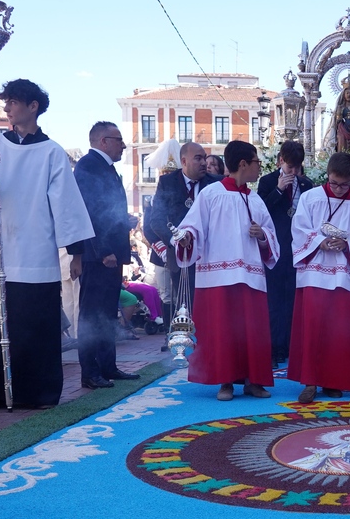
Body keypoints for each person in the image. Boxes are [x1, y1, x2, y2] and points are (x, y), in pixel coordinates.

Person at [0, 78, 94, 411]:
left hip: (34, 250)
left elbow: (67, 204)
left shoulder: (51, 152)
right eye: (5, 102)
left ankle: (36, 393)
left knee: (35, 327)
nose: (6, 107)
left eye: (14, 101)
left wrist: (76, 252)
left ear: (33, 107)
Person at [174, 140, 278, 401]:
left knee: (251, 330)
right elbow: (192, 227)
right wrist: (186, 237)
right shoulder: (210, 194)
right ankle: (225, 382)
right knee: (223, 330)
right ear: (243, 164)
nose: (259, 168)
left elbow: (271, 236)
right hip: (218, 276)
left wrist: (262, 235)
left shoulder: (255, 199)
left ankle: (254, 381)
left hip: (250, 275)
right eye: (257, 162)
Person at [288, 152, 350, 403]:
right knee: (314, 328)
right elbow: (299, 229)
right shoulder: (310, 197)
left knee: (341, 330)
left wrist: (348, 243)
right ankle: (311, 381)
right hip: (315, 273)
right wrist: (320, 242)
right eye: (333, 182)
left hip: (345, 275)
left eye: (344, 184)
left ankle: (335, 381)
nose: (337, 189)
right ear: (327, 176)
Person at [73, 121, 140, 390]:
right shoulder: (88, 166)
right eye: (118, 139)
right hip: (98, 255)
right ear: (103, 141)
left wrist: (124, 221)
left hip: (109, 254)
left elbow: (106, 211)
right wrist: (104, 251)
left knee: (106, 313)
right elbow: (89, 212)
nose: (123, 144)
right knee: (92, 315)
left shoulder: (105, 168)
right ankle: (90, 371)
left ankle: (108, 366)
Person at [148, 141, 217, 350]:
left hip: (210, 255)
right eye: (198, 158)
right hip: (180, 256)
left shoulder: (216, 183)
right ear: (184, 161)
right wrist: (175, 240)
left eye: (205, 158)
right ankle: (184, 346)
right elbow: (156, 219)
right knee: (184, 302)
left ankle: (210, 345)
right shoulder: (167, 182)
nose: (204, 162)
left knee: (210, 302)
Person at [258, 140, 314, 365]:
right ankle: (273, 347)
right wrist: (280, 189)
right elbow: (261, 211)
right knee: (274, 300)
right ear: (281, 160)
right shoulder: (267, 181)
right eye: (290, 167)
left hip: (298, 249)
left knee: (293, 298)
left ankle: (291, 345)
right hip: (275, 247)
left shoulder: (307, 185)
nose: (293, 172)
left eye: (297, 167)